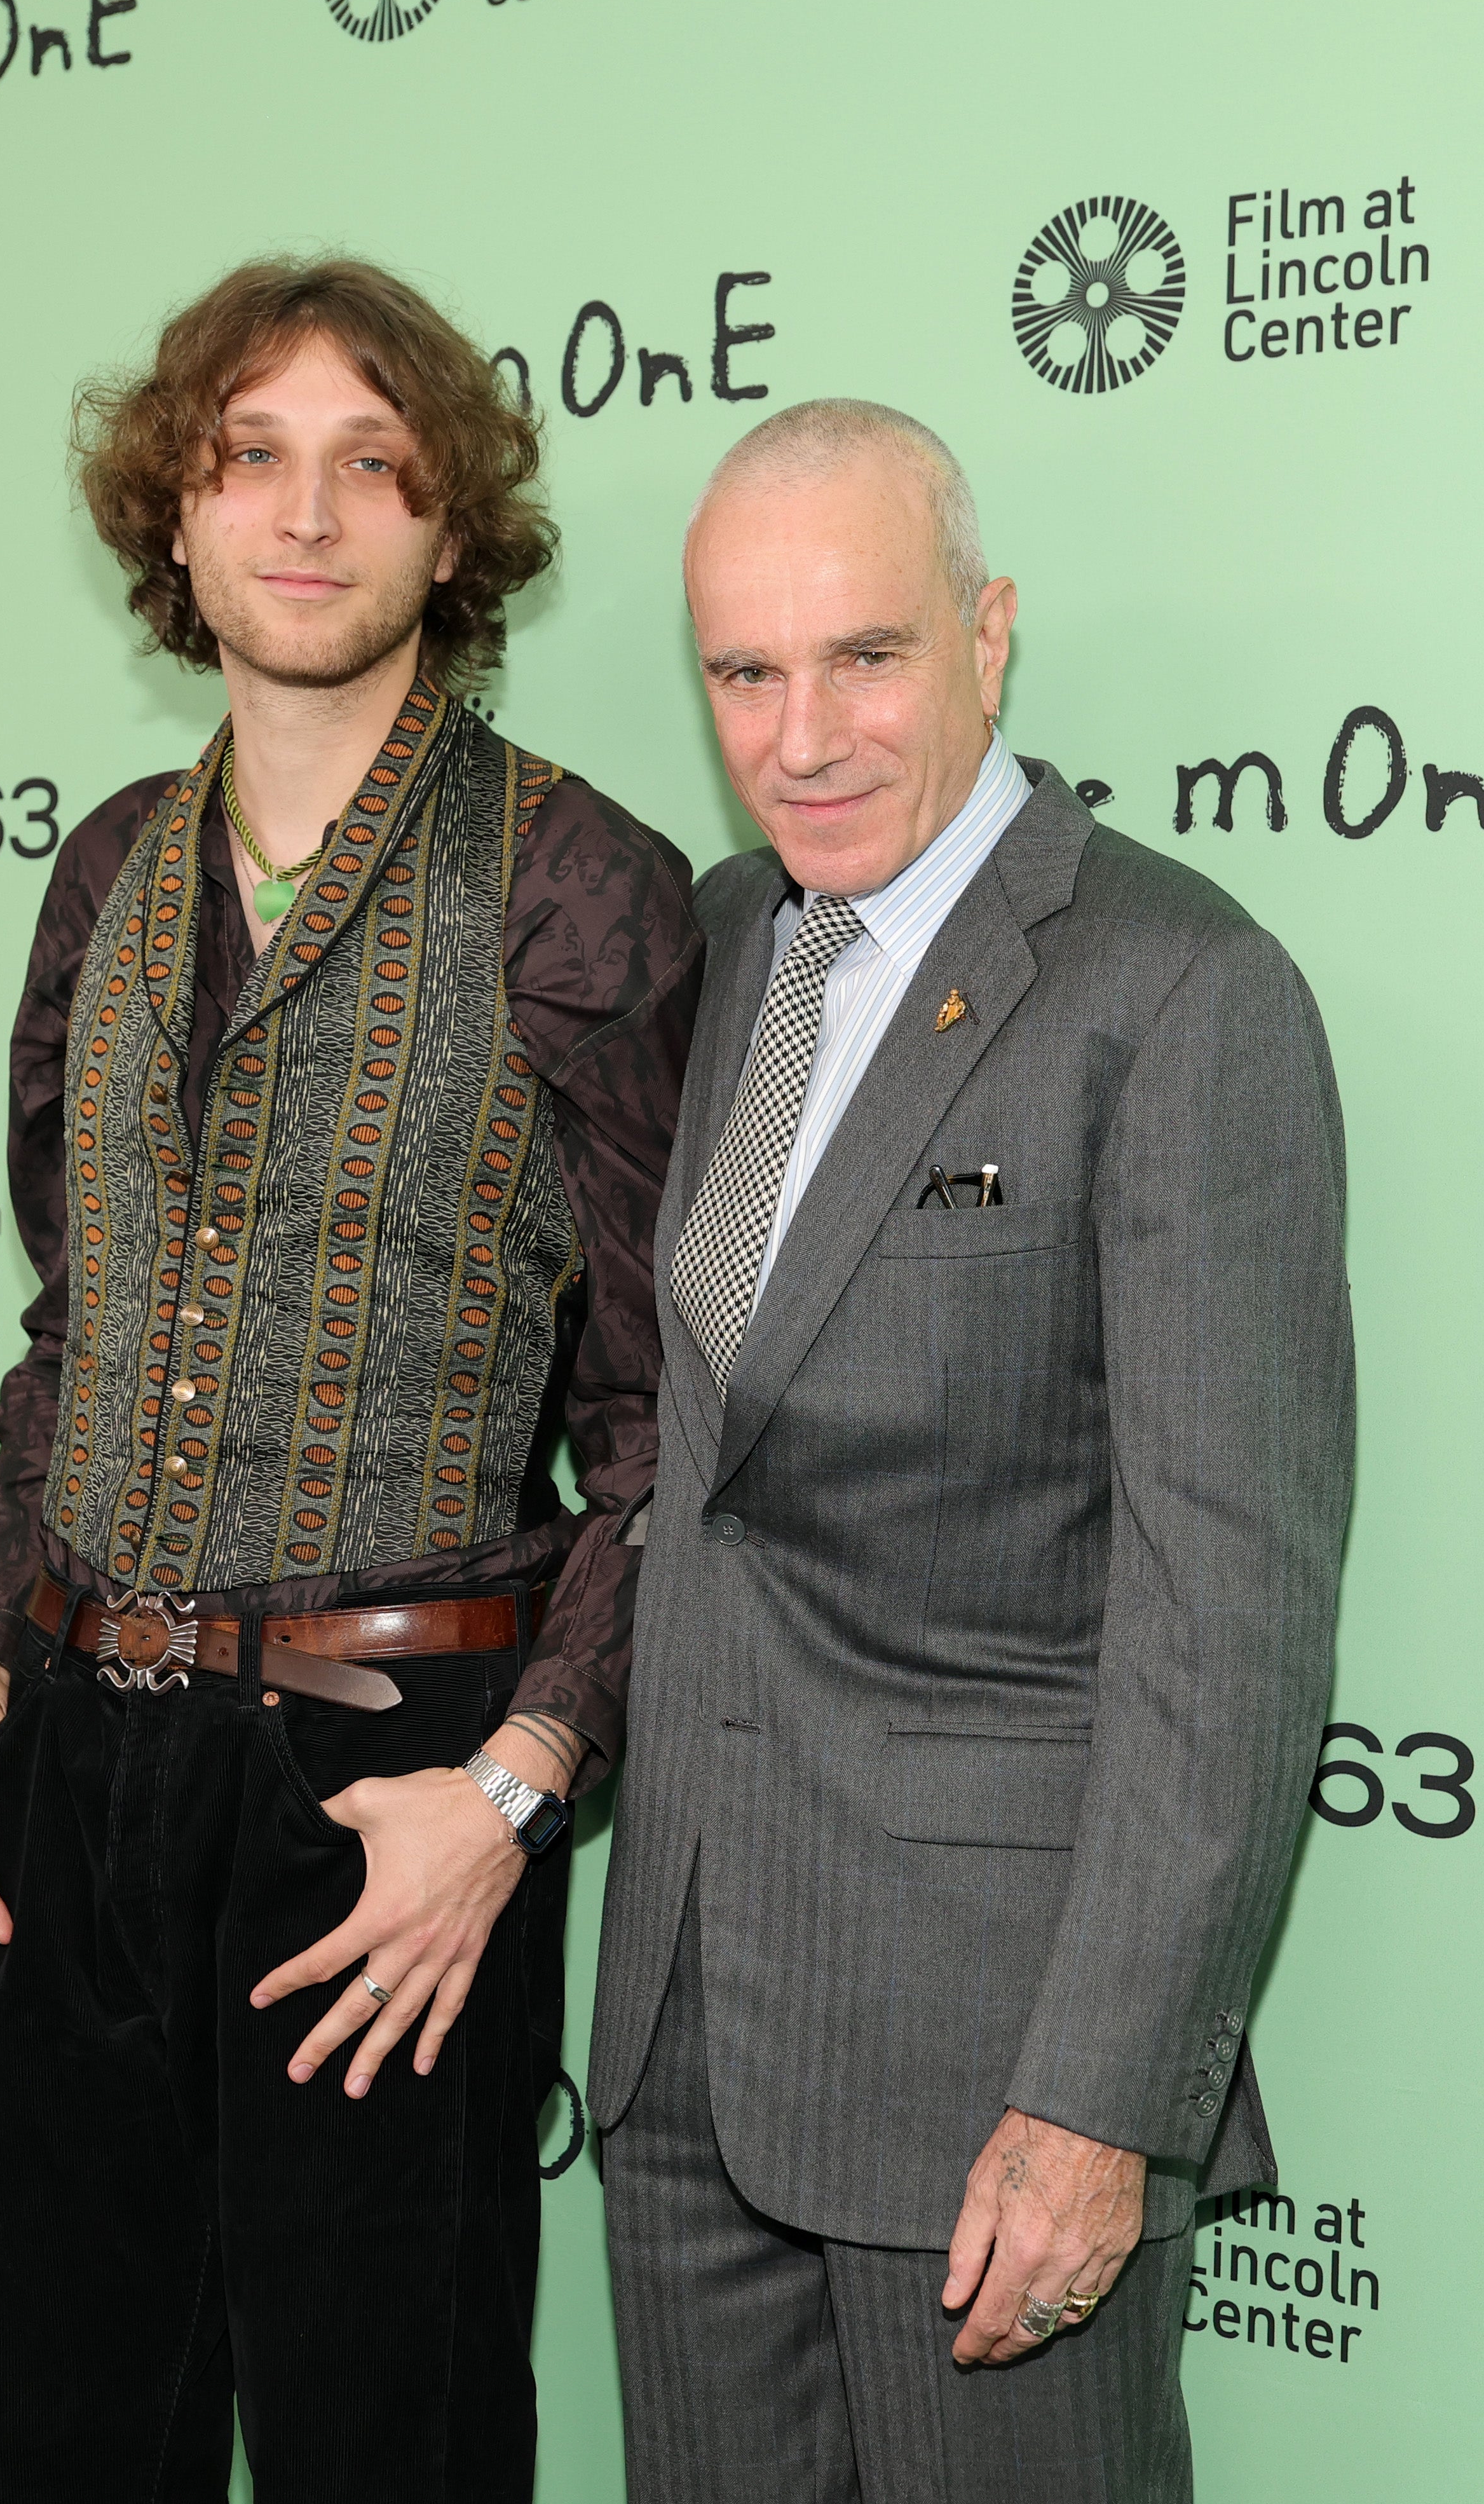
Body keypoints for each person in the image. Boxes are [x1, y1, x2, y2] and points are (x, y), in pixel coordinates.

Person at [0, 254, 702, 2504]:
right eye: (249, 455)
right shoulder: (101, 875)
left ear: (453, 535)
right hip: (79, 1762)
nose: (303, 512)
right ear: (172, 517)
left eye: (374, 464)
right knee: (74, 2443)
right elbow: (77, 1322)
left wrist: (526, 1784)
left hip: (395, 1794)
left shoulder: (579, 882)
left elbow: (662, 1434)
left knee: (393, 2444)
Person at [589, 399, 1354, 2502]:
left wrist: (1103, 2100)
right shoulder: (735, 940)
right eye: (744, 673)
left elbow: (1230, 1625)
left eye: (867, 657)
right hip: (678, 2038)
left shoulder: (1176, 991)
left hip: (986, 2079)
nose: (801, 733)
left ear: (989, 635)